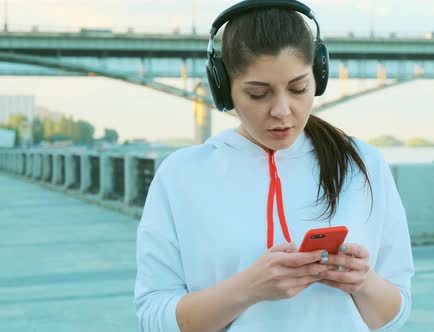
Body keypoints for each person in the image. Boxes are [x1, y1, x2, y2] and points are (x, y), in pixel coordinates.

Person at [134, 1, 414, 331]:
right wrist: (248, 289)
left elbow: (395, 315)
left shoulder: (362, 163)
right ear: (224, 89)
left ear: (318, 78)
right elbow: (154, 319)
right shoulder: (181, 175)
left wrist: (363, 282)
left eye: (298, 89)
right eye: (258, 94)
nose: (282, 110)